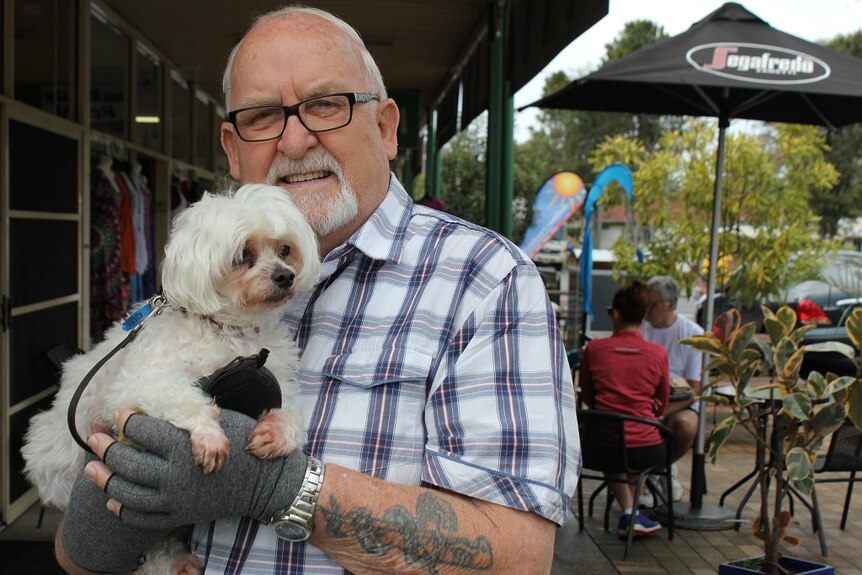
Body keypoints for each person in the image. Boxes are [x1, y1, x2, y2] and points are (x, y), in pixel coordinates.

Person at [54, 5, 580, 575]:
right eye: (262, 116)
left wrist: (280, 486)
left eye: (326, 105)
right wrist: (98, 522)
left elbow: (517, 559)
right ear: (232, 147)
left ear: (384, 127)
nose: (296, 140)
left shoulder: (485, 281)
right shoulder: (199, 288)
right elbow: (78, 558)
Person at [578, 280, 669, 538]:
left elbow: (587, 395)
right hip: (647, 449)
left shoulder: (593, 350)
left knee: (612, 438)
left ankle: (630, 513)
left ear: (615, 314)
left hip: (602, 449)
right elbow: (662, 402)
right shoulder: (658, 353)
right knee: (633, 446)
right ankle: (632, 513)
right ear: (643, 316)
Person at [641, 275, 705, 502]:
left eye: (652, 304)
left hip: (680, 402)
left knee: (686, 426)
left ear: (671, 304)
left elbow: (695, 388)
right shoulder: (639, 328)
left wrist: (664, 411)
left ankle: (661, 469)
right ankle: (648, 474)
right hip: (644, 399)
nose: (646, 309)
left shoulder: (693, 333)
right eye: (644, 303)